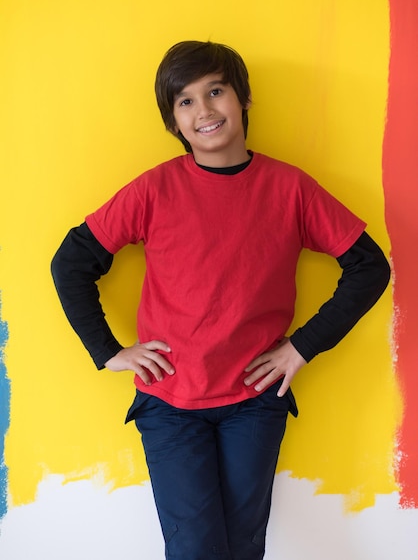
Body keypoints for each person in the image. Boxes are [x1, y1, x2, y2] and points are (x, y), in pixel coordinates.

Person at [51, 40, 390, 560]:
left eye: (216, 92)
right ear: (173, 121)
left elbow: (369, 267)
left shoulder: (289, 188)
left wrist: (301, 348)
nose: (204, 110)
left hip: (254, 402)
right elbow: (70, 264)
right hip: (169, 403)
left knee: (243, 545)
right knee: (195, 551)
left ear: (244, 99)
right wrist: (109, 351)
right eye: (185, 102)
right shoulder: (153, 190)